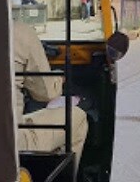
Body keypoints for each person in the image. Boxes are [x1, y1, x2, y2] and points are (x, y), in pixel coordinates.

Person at [13, 21, 89, 169]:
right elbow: (47, 93)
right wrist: (58, 78)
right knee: (77, 118)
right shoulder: (19, 32)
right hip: (9, 143)